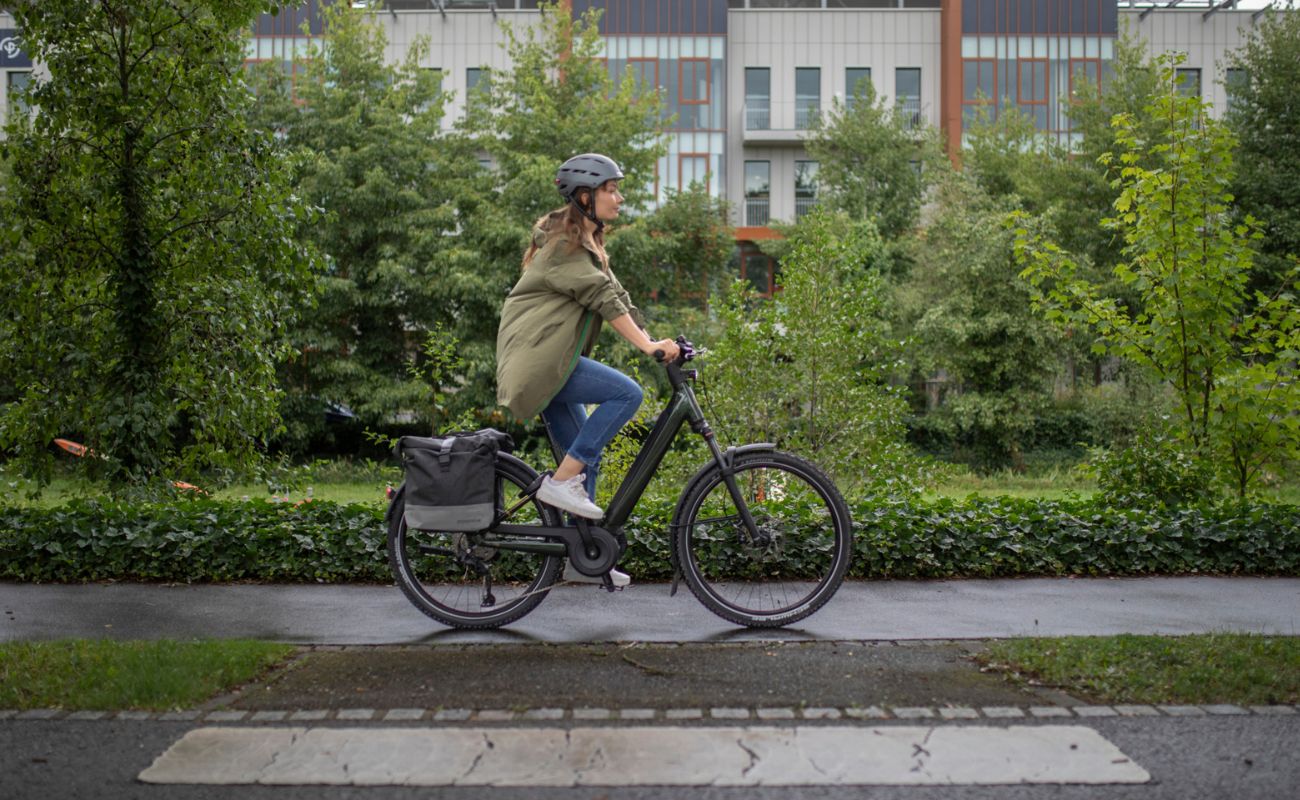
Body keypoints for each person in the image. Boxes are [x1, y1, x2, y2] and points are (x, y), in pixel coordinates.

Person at [496, 153, 680, 587]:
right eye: (611, 190)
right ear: (584, 197)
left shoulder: (587, 245)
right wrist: (647, 347)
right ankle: (559, 485)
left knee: (583, 460)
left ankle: (583, 559)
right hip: (541, 363)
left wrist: (655, 339)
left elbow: (619, 298)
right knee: (627, 394)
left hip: (548, 361)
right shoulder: (565, 248)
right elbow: (602, 299)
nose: (619, 198)